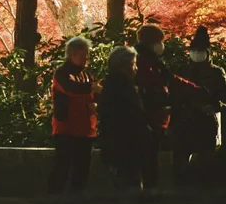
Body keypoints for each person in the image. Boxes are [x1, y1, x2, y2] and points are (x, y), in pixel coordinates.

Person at [135, 23, 205, 191]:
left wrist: (195, 90)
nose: (162, 45)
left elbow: (170, 79)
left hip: (156, 117)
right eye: (160, 41)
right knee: (148, 159)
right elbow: (160, 86)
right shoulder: (144, 63)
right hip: (148, 117)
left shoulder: (153, 62)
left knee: (151, 158)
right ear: (153, 43)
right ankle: (145, 197)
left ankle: (147, 194)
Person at [172, 25, 226, 186]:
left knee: (206, 155)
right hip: (184, 120)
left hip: (205, 120)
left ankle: (204, 186)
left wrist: (212, 106)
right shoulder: (183, 70)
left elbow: (222, 96)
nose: (196, 54)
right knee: (181, 156)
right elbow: (175, 95)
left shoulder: (217, 73)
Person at [48, 36, 101, 195]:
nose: (87, 58)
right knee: (62, 166)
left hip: (86, 127)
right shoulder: (62, 73)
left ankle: (78, 197)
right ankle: (54, 197)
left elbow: (95, 95)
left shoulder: (87, 74)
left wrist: (96, 102)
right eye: (84, 54)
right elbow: (71, 89)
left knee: (82, 167)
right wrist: (93, 88)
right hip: (66, 127)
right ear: (72, 54)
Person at [98, 45, 149, 189]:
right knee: (130, 187)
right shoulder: (124, 89)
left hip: (117, 148)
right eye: (133, 65)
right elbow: (131, 118)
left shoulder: (111, 86)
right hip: (126, 148)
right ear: (124, 66)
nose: (136, 69)